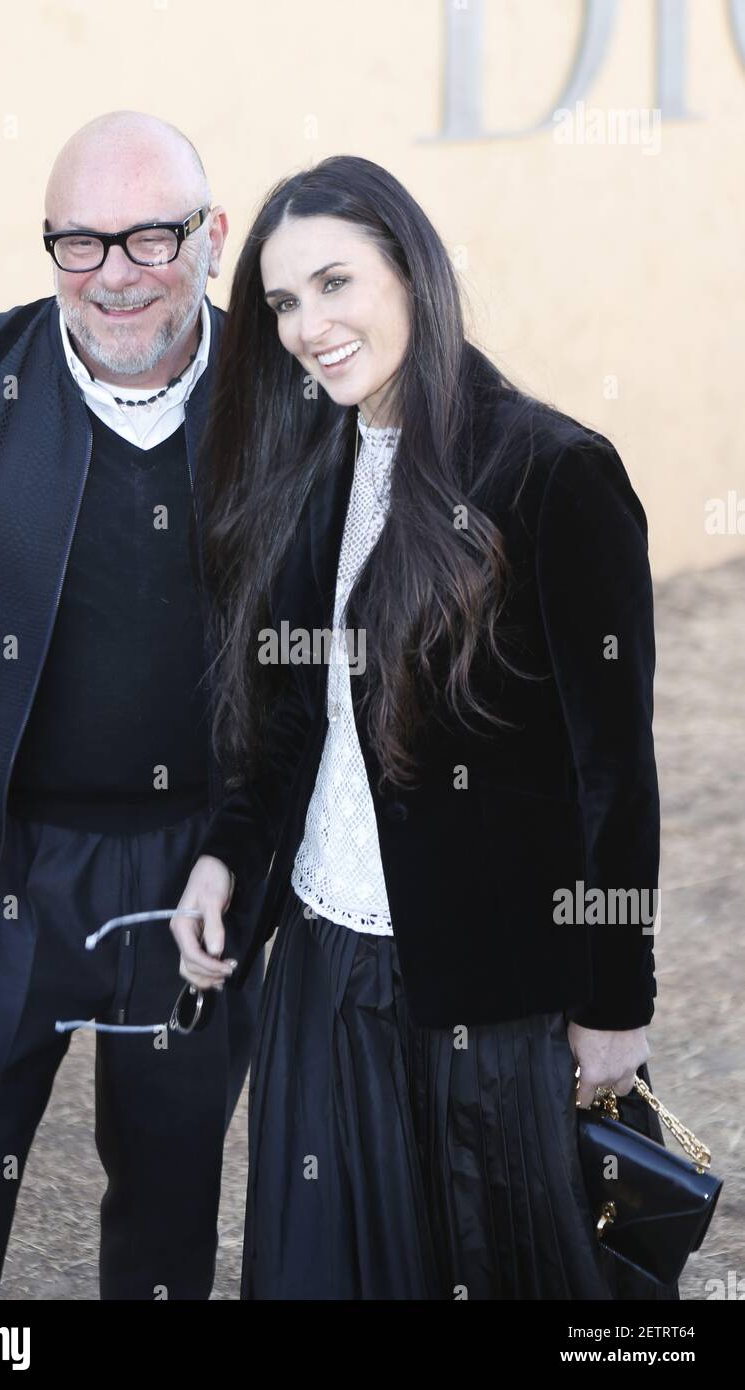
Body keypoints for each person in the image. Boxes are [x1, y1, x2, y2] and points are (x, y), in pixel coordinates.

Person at [170, 154, 679, 1300]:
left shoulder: (552, 473)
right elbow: (296, 721)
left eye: (334, 284)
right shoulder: (314, 465)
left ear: (411, 270)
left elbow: (615, 778)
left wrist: (614, 1007)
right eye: (282, 303)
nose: (307, 327)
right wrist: (227, 855)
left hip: (490, 996)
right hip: (326, 972)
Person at [0, 110, 262, 1300]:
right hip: (9, 866)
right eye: (80, 244)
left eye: (152, 238)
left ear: (213, 235)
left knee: (165, 1202)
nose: (116, 275)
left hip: (201, 867)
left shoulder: (289, 396)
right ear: (49, 248)